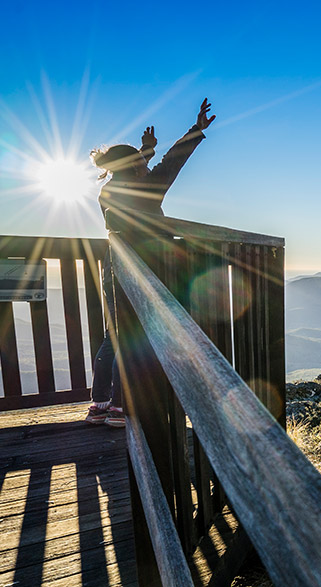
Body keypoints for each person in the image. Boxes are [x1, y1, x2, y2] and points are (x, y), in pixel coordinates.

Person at [85, 99, 216, 426]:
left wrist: (145, 149)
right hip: (142, 268)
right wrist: (195, 130)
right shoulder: (147, 187)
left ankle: (99, 403)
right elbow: (173, 162)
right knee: (135, 336)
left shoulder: (110, 190)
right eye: (140, 161)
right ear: (132, 166)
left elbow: (138, 166)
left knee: (115, 334)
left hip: (113, 264)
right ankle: (121, 408)